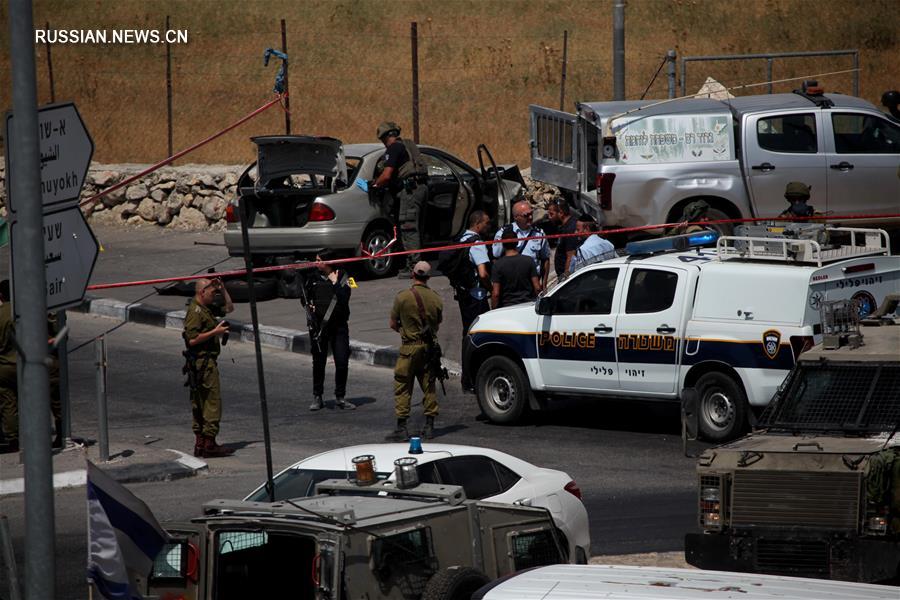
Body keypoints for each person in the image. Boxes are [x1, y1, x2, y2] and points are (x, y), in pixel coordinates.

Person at [0, 280, 62, 453]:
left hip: (5, 366)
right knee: (52, 399)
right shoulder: (28, 310)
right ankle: (60, 434)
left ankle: (13, 441)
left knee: (8, 403)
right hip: (35, 362)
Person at [387, 261, 443, 441]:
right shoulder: (436, 298)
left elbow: (393, 324)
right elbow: (437, 324)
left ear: (413, 274)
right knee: (429, 385)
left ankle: (402, 428)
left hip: (409, 348)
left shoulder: (402, 297)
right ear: (428, 277)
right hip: (428, 349)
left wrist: (406, 332)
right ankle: (429, 427)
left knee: (403, 386)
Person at [183, 277, 234, 458]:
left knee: (202, 403)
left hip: (202, 363)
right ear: (201, 292)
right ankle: (209, 445)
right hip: (203, 363)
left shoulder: (206, 308)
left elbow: (229, 308)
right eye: (212, 293)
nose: (214, 296)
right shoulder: (195, 312)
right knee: (211, 403)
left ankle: (201, 445)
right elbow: (192, 339)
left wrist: (223, 289)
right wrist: (215, 332)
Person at [372, 121, 428, 277]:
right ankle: (415, 264)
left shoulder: (394, 148)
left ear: (387, 136)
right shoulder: (408, 145)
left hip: (410, 191)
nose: (383, 143)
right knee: (416, 228)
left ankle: (415, 268)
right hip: (421, 189)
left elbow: (387, 174)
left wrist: (375, 184)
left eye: (383, 139)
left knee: (409, 228)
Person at [305, 256, 354, 411]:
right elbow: (304, 297)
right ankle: (317, 396)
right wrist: (309, 306)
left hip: (339, 327)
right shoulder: (312, 277)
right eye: (316, 259)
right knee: (319, 362)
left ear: (330, 262)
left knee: (342, 361)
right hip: (319, 327)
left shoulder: (344, 276)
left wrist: (334, 282)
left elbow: (345, 297)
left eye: (320, 260)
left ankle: (340, 396)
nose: (317, 262)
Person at [455, 210, 492, 391]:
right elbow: (483, 273)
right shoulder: (477, 243)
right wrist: (491, 288)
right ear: (478, 224)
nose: (488, 226)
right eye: (486, 223)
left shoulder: (461, 238)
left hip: (463, 294)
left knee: (467, 334)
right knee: (480, 335)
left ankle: (466, 378)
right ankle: (475, 377)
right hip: (476, 296)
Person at [492, 200, 551, 289]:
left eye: (531, 213)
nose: (530, 217)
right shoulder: (504, 233)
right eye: (526, 215)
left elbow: (545, 259)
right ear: (516, 217)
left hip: (533, 282)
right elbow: (495, 258)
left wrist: (544, 284)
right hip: (510, 284)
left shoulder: (539, 234)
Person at [491, 229, 541, 309]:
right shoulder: (529, 261)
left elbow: (496, 293)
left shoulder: (497, 265)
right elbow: (537, 288)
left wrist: (493, 310)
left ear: (503, 244)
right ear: (517, 242)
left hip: (507, 308)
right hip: (528, 305)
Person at [547, 197, 579, 277]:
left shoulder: (570, 229)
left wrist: (566, 277)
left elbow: (571, 256)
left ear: (561, 213)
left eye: (551, 214)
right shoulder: (564, 226)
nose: (549, 217)